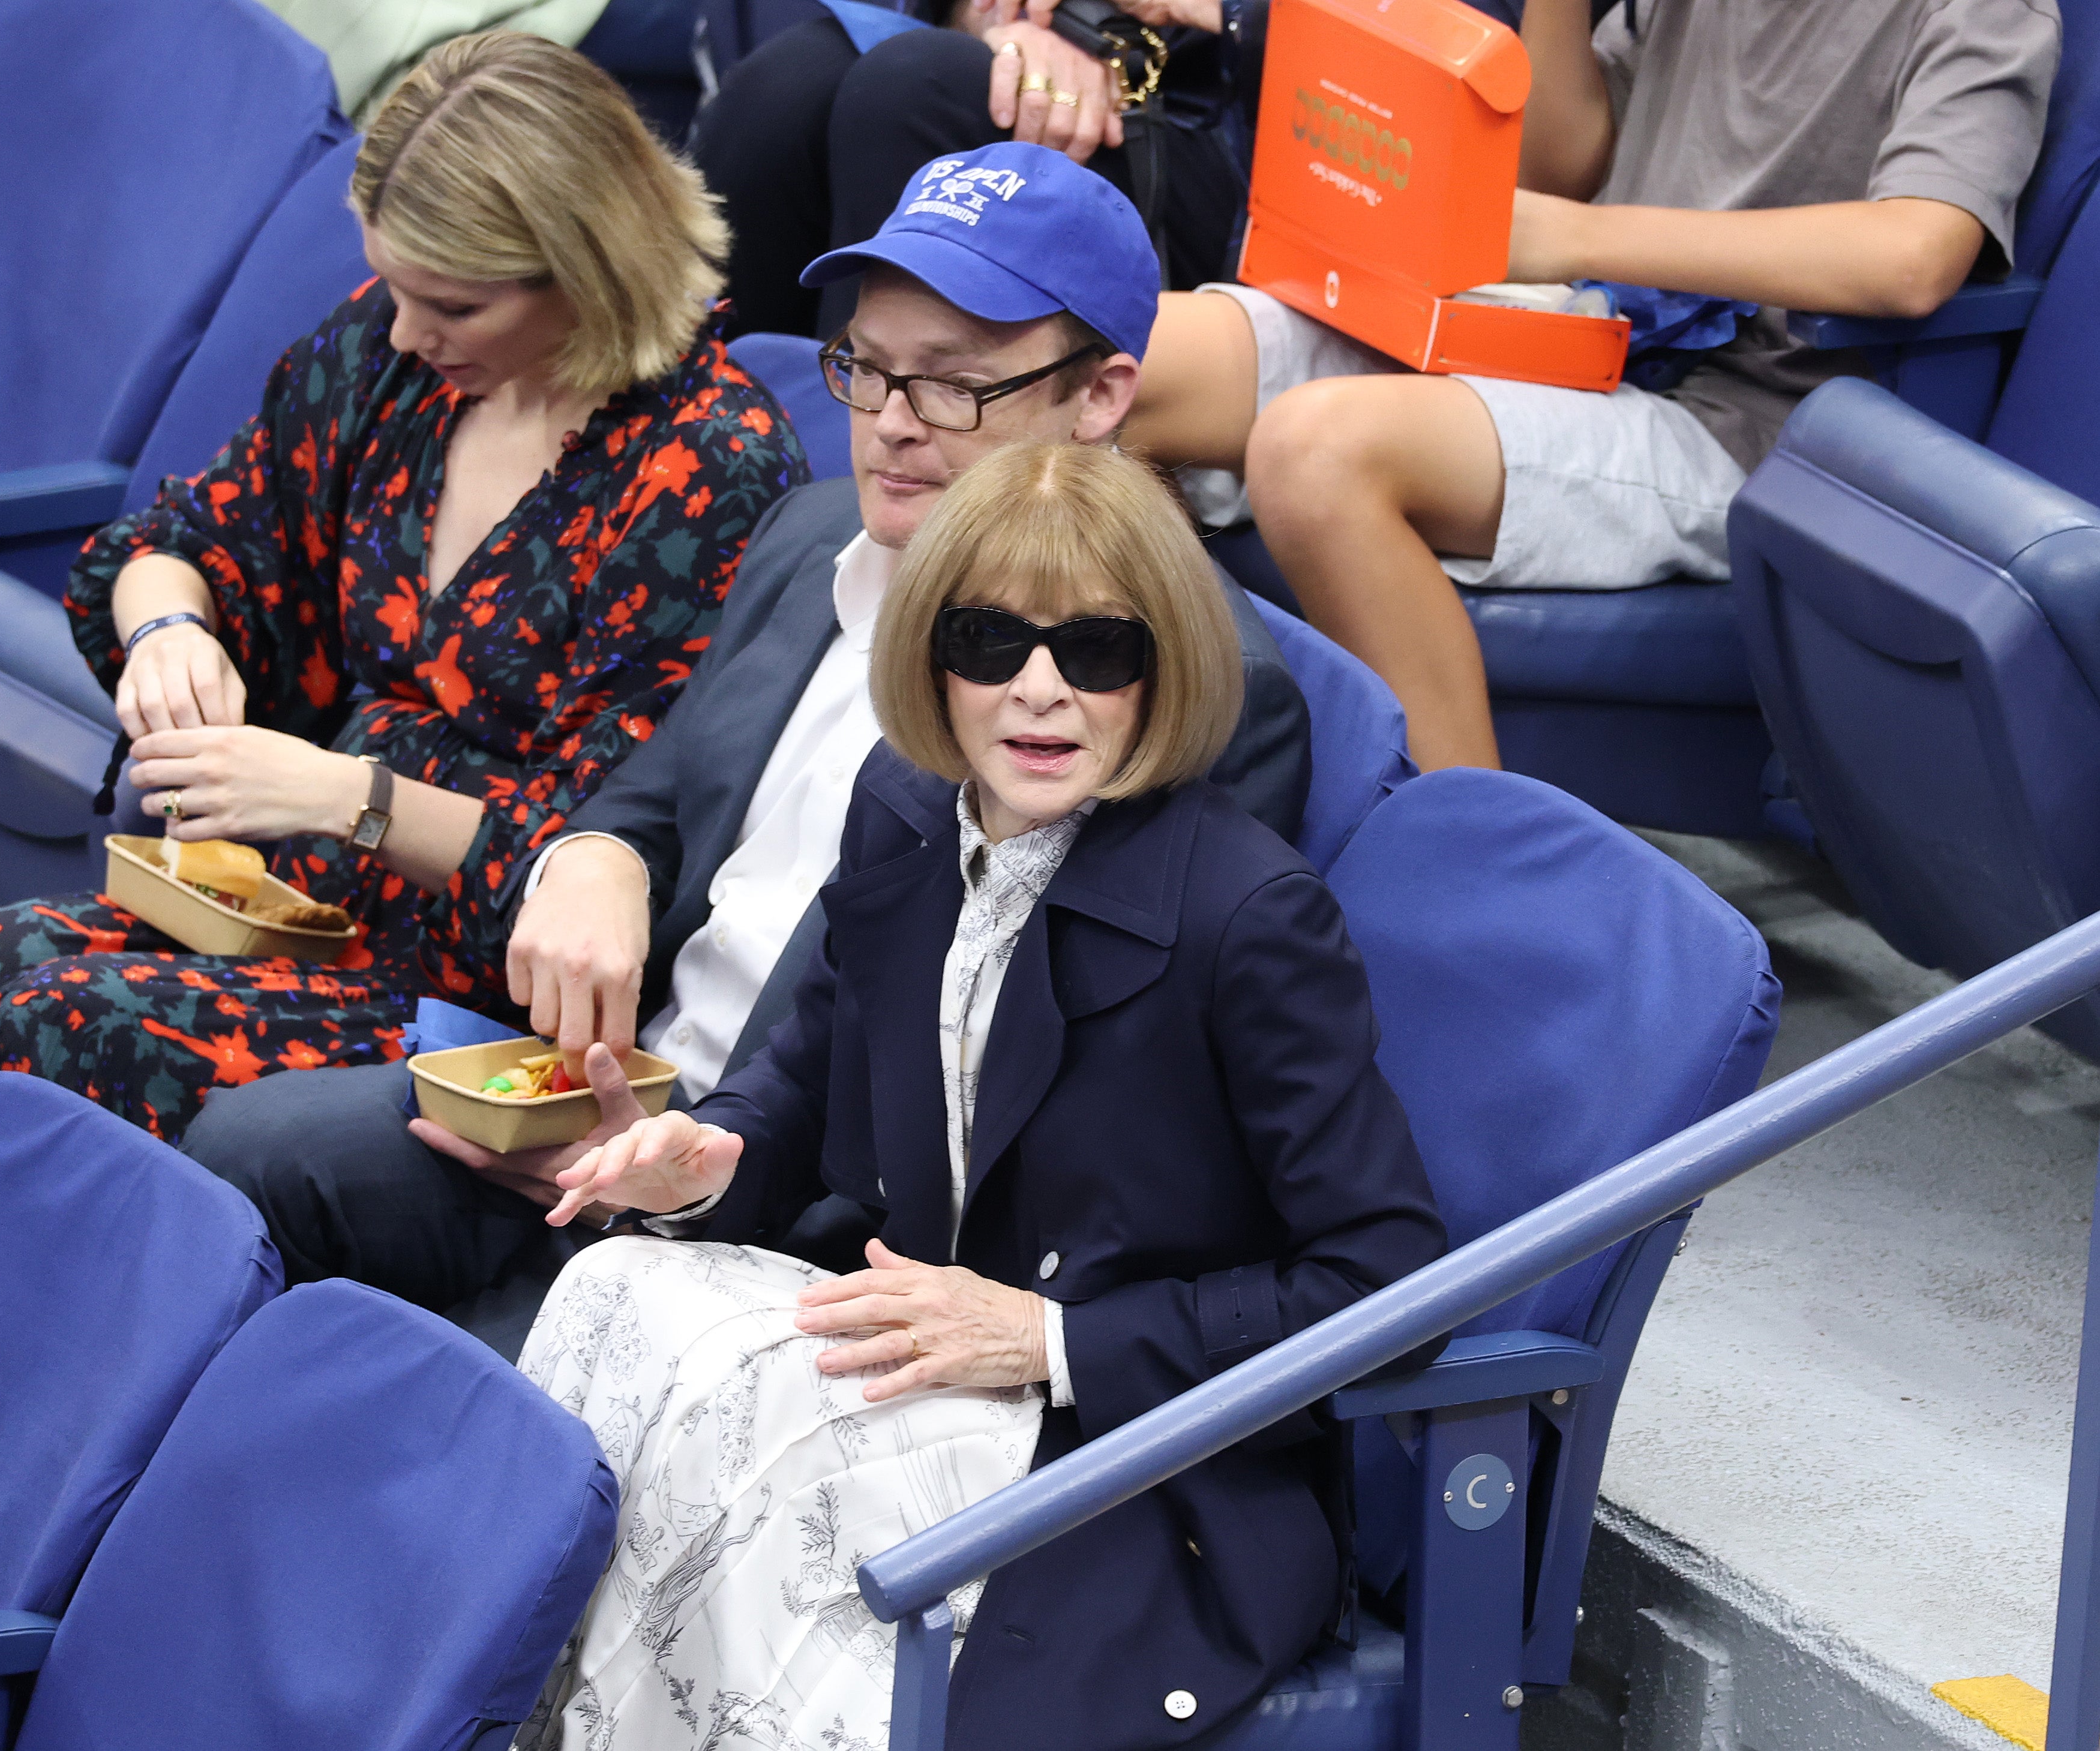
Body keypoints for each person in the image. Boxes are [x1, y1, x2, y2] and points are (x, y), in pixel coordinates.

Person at [181, 142, 1314, 1305]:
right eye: (864, 369)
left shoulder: (1177, 681)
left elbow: (1015, 1083)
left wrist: (689, 1163)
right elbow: (657, 790)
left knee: (424, 1412)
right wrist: (595, 857)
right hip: (599, 1100)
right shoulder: (808, 534)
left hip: (794, 1222)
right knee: (231, 1156)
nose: (890, 425)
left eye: (952, 384)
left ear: (1099, 397)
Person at [509, 440, 1446, 1750]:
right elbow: (817, 1056)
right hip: (930, 1354)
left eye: (1096, 650)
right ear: (929, 657)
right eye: (989, 640)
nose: (1039, 691)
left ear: (1162, 662)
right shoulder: (902, 805)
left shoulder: (1249, 917)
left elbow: (1387, 1286)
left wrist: (1049, 1339)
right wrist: (708, 1157)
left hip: (1124, 1449)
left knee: (753, 1448)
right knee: (609, 1290)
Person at [0, 32, 806, 1139]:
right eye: (391, 286)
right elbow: (190, 533)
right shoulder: (393, 362)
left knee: (68, 1025)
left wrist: (348, 797)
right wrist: (171, 628)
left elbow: (614, 854)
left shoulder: (708, 467)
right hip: (301, 910)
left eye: (455, 305)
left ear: (590, 269)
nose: (407, 330)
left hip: (487, 1005)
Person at [1118, 0, 2059, 771]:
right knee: (1113, 358)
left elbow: (1914, 255)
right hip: (1575, 330)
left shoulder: (1983, 10)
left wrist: (1576, 236)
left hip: (1744, 423)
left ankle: (1472, 896)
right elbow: (1556, 163)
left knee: (1315, 453)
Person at [694, 1, 1256, 337]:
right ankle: (730, 447)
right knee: (791, 83)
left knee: (922, 81)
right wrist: (994, 19)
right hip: (1050, 38)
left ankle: (869, 469)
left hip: (1231, 128)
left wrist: (1231, 13)